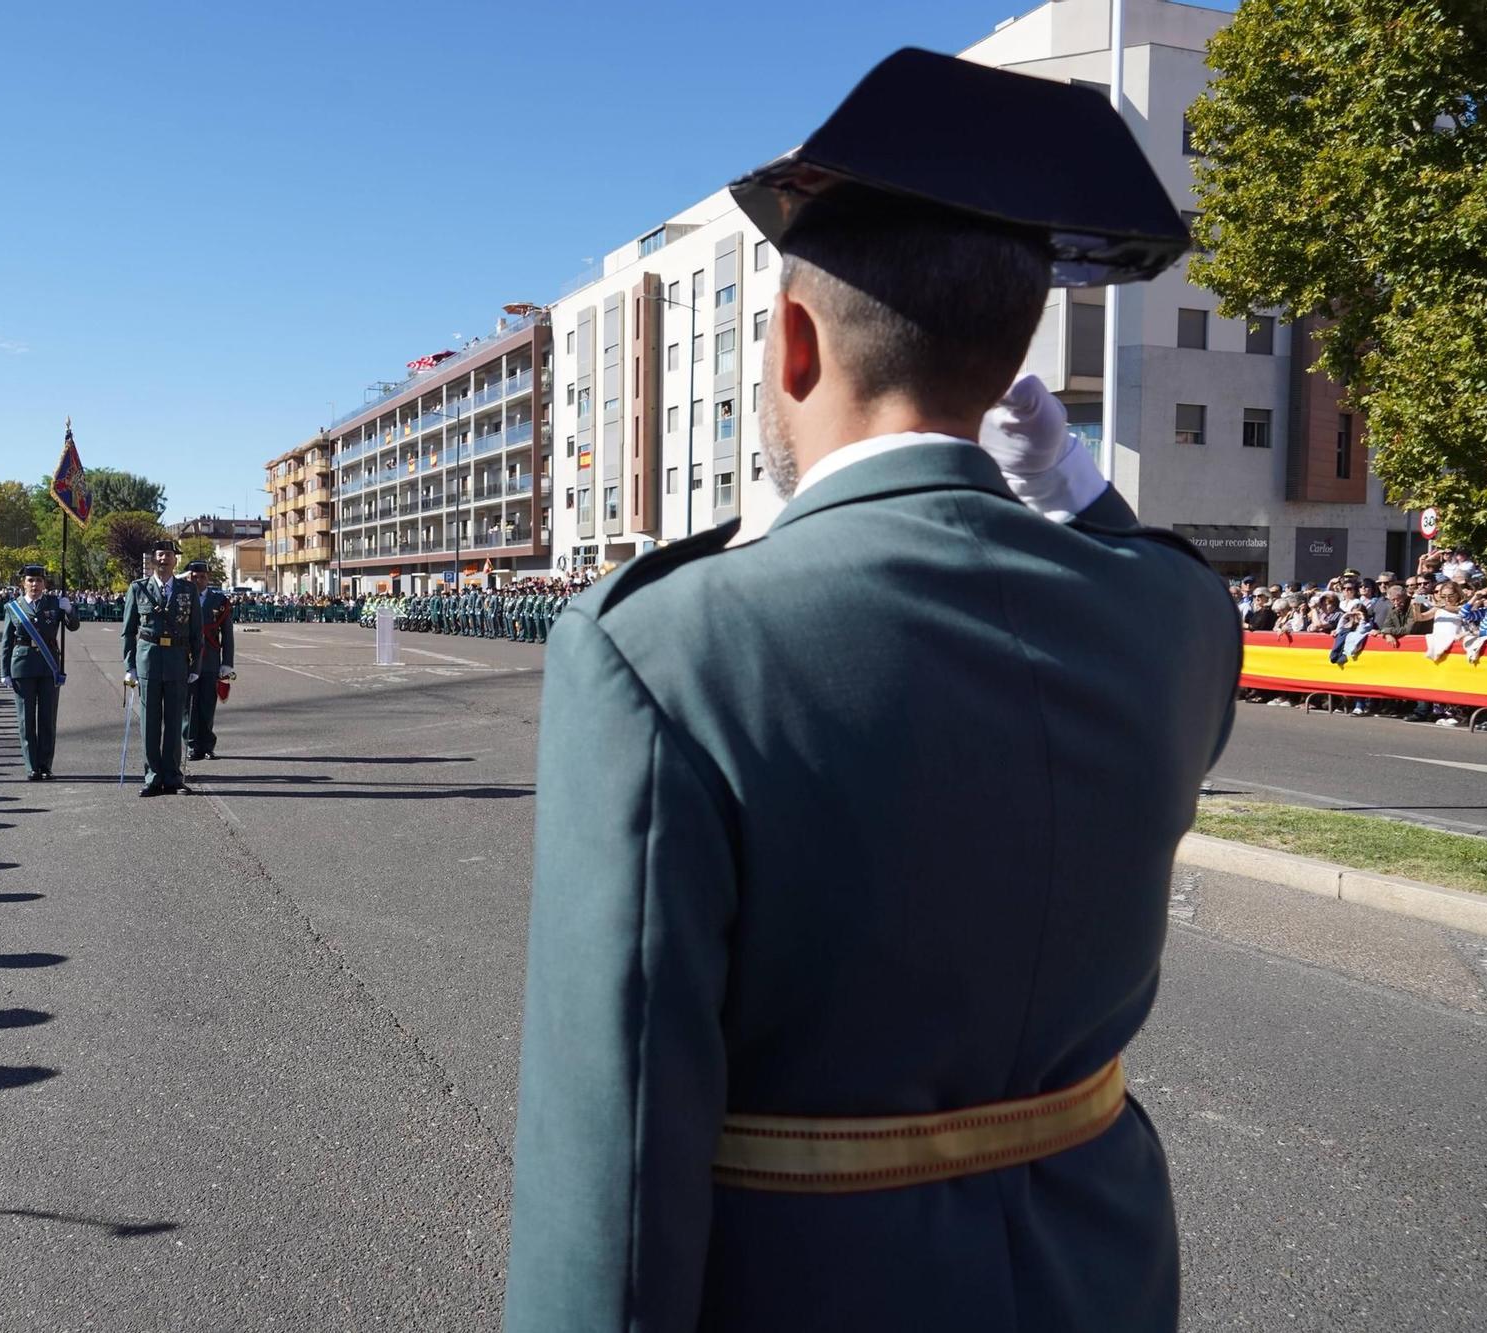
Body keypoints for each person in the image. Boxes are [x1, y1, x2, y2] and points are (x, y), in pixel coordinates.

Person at [503, 50, 1240, 1333]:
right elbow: (1143, 573)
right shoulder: (1171, 618)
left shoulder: (666, 646)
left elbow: (609, 1146)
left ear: (792, 342)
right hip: (1098, 1275)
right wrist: (1072, 488)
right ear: (1013, 360)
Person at [120, 540, 197, 796]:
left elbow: (196, 631)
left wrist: (195, 664)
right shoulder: (138, 588)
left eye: (169, 555)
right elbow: (129, 631)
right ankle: (153, 777)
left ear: (176, 560)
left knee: (175, 723)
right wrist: (129, 665)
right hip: (148, 661)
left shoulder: (188, 590)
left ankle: (173, 777)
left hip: (177, 661)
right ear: (153, 559)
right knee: (150, 723)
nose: (164, 559)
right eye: (160, 555)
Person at [0, 565, 79, 781]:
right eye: (30, 580)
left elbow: (73, 626)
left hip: (48, 667)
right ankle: (31, 766)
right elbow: (7, 642)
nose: (35, 584)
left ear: (45, 584)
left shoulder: (54, 604)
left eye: (39, 581)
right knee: (26, 719)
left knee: (47, 718)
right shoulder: (13, 607)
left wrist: (70, 610)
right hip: (22, 667)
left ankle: (45, 765)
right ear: (23, 583)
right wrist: (4, 671)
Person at [179, 561, 237, 763]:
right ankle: (192, 744)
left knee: (207, 704)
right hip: (187, 658)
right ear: (189, 577)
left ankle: (207, 745)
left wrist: (227, 662)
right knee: (188, 706)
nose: (198, 580)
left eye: (202, 576)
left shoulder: (219, 601)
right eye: (194, 576)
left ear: (208, 578)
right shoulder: (181, 597)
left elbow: (227, 634)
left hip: (211, 659)